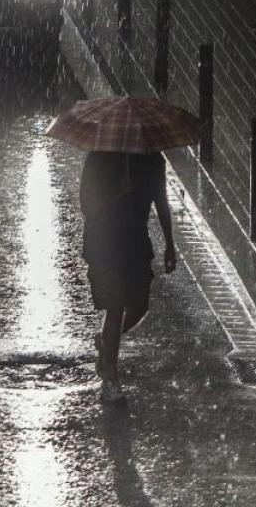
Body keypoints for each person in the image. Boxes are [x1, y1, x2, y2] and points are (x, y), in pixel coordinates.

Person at [80, 150, 177, 402]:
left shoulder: (153, 160)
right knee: (115, 307)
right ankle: (111, 378)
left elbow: (161, 202)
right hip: (104, 243)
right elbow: (87, 206)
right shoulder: (99, 157)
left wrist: (170, 243)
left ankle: (106, 341)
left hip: (136, 242)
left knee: (139, 306)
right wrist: (118, 192)